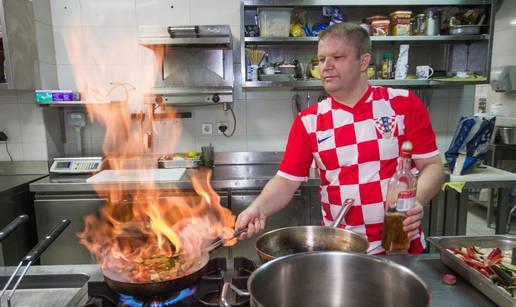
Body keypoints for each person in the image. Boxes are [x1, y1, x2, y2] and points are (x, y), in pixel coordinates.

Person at [235, 22, 444, 254]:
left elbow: (433, 167)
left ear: (363, 61)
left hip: (401, 247)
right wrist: (257, 207)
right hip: (343, 251)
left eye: (337, 57)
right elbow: (286, 181)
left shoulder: (403, 104)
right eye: (321, 59)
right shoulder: (309, 121)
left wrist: (417, 202)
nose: (326, 66)